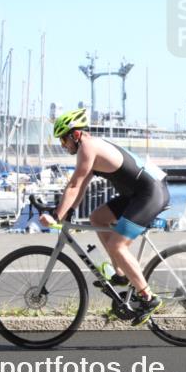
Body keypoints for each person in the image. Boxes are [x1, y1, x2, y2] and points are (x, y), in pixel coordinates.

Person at [39, 108, 170, 325]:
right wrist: (68, 212)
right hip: (136, 194)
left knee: (118, 246)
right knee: (97, 218)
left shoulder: (88, 147)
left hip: (150, 193)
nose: (63, 146)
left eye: (63, 140)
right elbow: (80, 186)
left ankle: (148, 297)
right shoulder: (90, 147)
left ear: (75, 134)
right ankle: (120, 274)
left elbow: (73, 184)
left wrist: (56, 215)